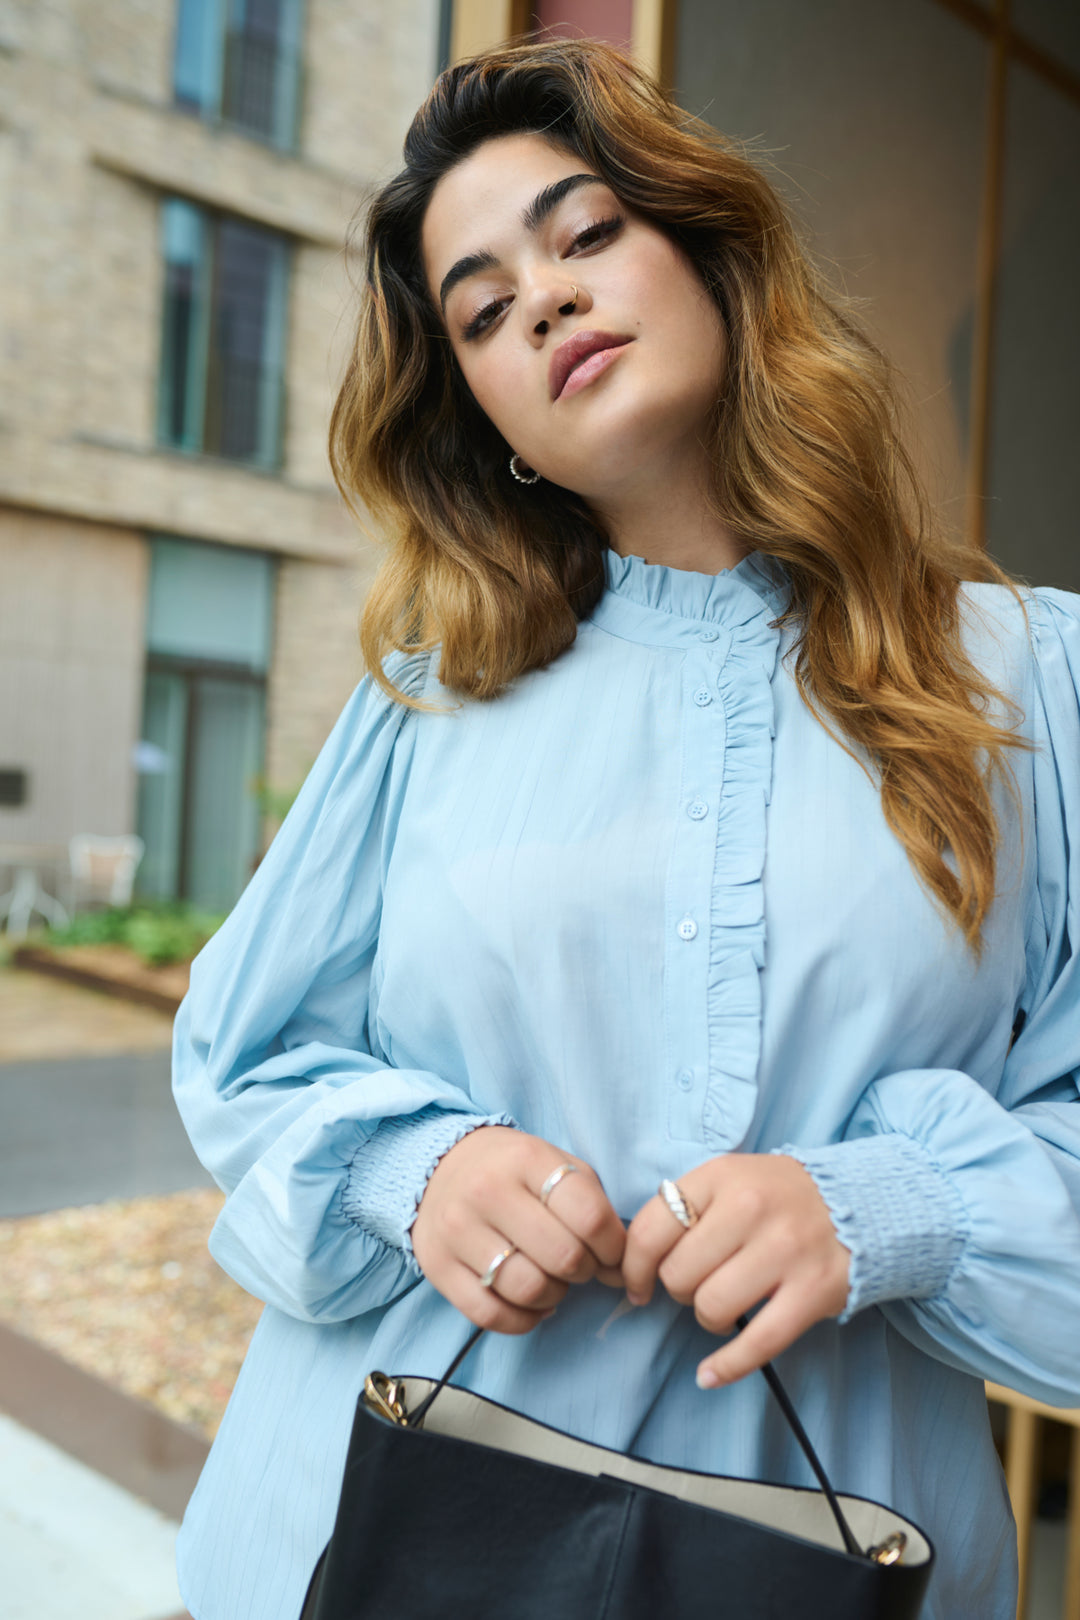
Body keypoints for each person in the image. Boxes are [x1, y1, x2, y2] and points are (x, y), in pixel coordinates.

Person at [171, 38, 1080, 1620]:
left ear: (711, 256)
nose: (541, 297)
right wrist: (419, 1169)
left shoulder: (1029, 678)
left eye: (586, 234)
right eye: (480, 306)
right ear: (495, 415)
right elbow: (242, 1063)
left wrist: (887, 1209)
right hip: (373, 1532)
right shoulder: (435, 695)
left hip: (824, 1545)